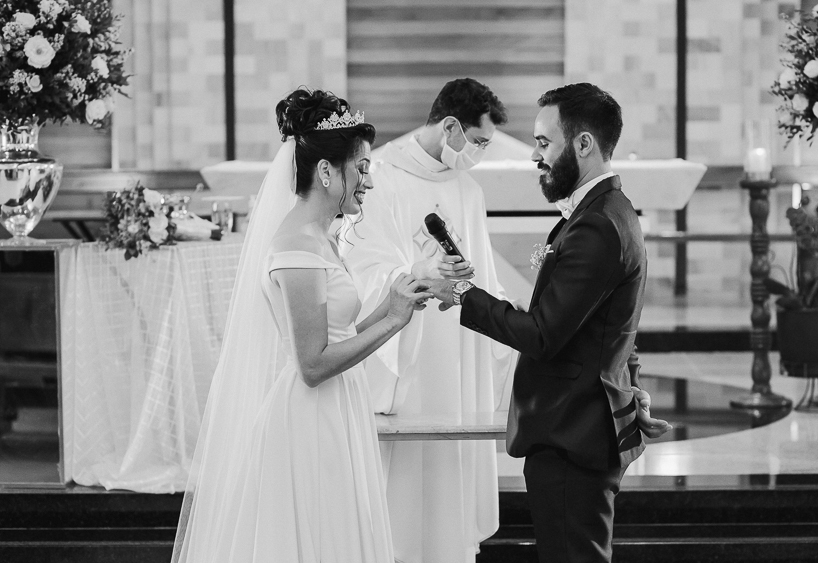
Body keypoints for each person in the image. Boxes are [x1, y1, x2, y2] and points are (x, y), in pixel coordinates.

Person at [171, 88, 432, 563]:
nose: (368, 182)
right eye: (363, 169)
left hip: (336, 406)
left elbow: (340, 335)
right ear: (328, 171)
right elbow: (311, 363)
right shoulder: (297, 245)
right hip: (310, 416)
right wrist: (392, 322)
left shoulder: (319, 238)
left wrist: (398, 303)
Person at [428, 83, 672, 563]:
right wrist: (629, 387)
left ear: (583, 144)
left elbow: (542, 335)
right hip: (582, 424)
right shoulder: (604, 212)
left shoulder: (597, 224)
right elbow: (612, 325)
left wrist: (462, 295)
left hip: (571, 433)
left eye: (544, 143)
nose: (535, 156)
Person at [341, 78, 514, 563]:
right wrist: (419, 273)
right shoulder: (381, 178)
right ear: (451, 126)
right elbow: (364, 271)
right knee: (404, 483)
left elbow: (486, 276)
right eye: (477, 142)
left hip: (457, 350)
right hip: (411, 348)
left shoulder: (468, 189)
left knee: (448, 473)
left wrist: (509, 318)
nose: (478, 153)